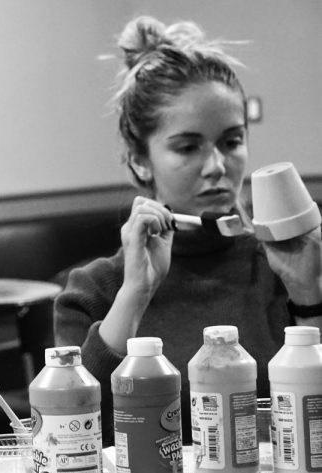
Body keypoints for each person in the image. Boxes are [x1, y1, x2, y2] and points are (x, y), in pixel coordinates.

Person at [54, 16, 322, 446]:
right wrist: (136, 294)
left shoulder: (289, 266)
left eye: (232, 141)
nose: (217, 166)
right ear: (141, 160)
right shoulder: (94, 290)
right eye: (188, 147)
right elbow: (72, 434)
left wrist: (311, 299)